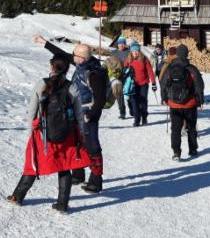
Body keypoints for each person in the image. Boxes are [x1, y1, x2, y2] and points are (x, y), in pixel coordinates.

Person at [7, 53, 92, 213]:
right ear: (67, 69)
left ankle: (17, 196)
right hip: (67, 134)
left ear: (52, 66)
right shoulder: (71, 86)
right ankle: (62, 204)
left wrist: (32, 131)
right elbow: (79, 113)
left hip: (43, 133)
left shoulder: (42, 84)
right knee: (65, 166)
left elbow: (32, 111)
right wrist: (81, 132)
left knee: (33, 164)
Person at [33, 35, 107, 193]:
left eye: (74, 54)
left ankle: (96, 179)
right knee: (76, 142)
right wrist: (45, 43)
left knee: (92, 145)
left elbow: (100, 99)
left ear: (81, 58)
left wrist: (91, 115)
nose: (72, 56)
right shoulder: (82, 62)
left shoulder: (94, 73)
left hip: (88, 113)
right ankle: (78, 173)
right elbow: (63, 55)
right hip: (77, 112)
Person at [160, 44, 205, 160]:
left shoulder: (170, 68)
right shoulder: (192, 69)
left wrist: (164, 98)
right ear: (186, 54)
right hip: (190, 104)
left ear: (177, 54)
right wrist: (200, 101)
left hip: (174, 104)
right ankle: (193, 149)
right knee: (191, 127)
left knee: (175, 129)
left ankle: (176, 152)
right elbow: (199, 85)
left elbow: (164, 84)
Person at [124, 41, 157, 127]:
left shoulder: (144, 59)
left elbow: (150, 71)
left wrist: (153, 83)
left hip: (143, 83)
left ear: (139, 51)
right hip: (132, 84)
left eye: (137, 51)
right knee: (134, 102)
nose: (135, 52)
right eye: (134, 51)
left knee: (143, 101)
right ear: (131, 51)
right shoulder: (128, 60)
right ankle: (136, 119)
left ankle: (144, 117)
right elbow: (124, 72)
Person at [111, 35, 130, 118]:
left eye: (123, 43)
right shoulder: (113, 53)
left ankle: (132, 107)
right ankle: (122, 112)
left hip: (128, 75)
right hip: (117, 75)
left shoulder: (129, 52)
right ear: (117, 44)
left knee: (129, 93)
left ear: (125, 44)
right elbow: (110, 63)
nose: (121, 45)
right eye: (120, 43)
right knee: (119, 93)